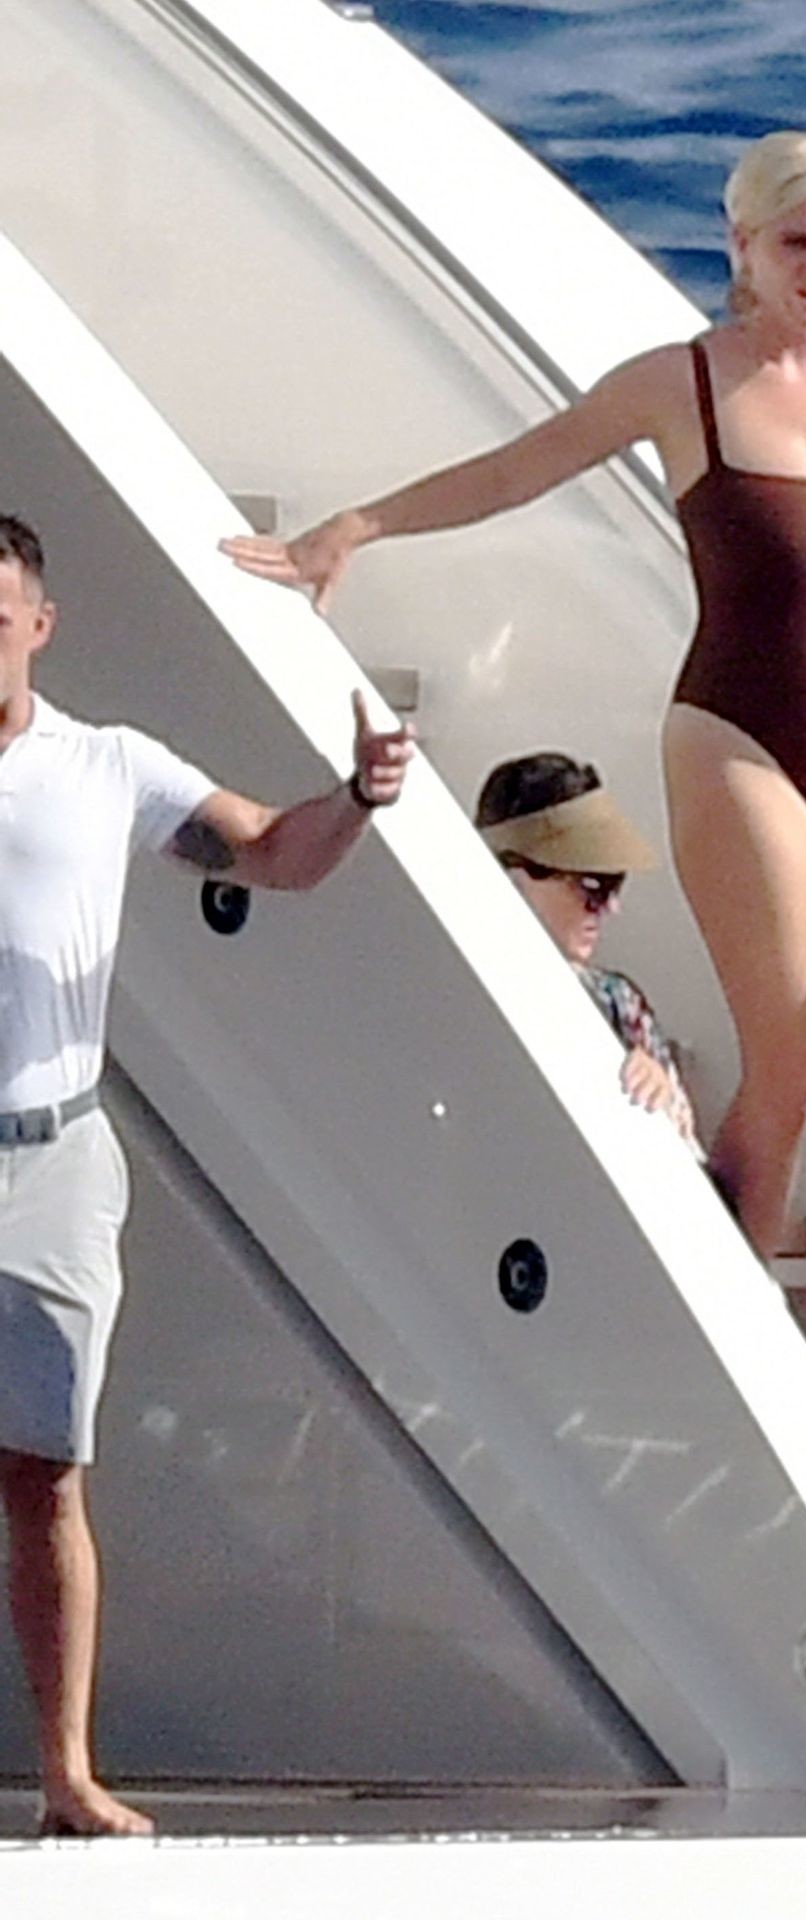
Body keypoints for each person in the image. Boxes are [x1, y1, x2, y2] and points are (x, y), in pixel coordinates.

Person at [221, 129, 806, 1430]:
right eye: (795, 244)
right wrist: (353, 527)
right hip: (737, 742)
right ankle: (733, 1328)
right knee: (788, 1053)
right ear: (742, 246)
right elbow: (515, 470)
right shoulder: (680, 385)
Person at [0, 513, 412, 1836]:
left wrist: (359, 797)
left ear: (39, 627)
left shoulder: (105, 766)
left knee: (44, 1474)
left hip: (52, 1159)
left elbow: (277, 854)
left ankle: (68, 1776)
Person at [475, 752, 700, 1152]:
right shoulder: (454, 983)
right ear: (515, 875)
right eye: (593, 884)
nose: (611, 907)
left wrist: (661, 1097)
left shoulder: (618, 1004)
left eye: (615, 883)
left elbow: (688, 1152)